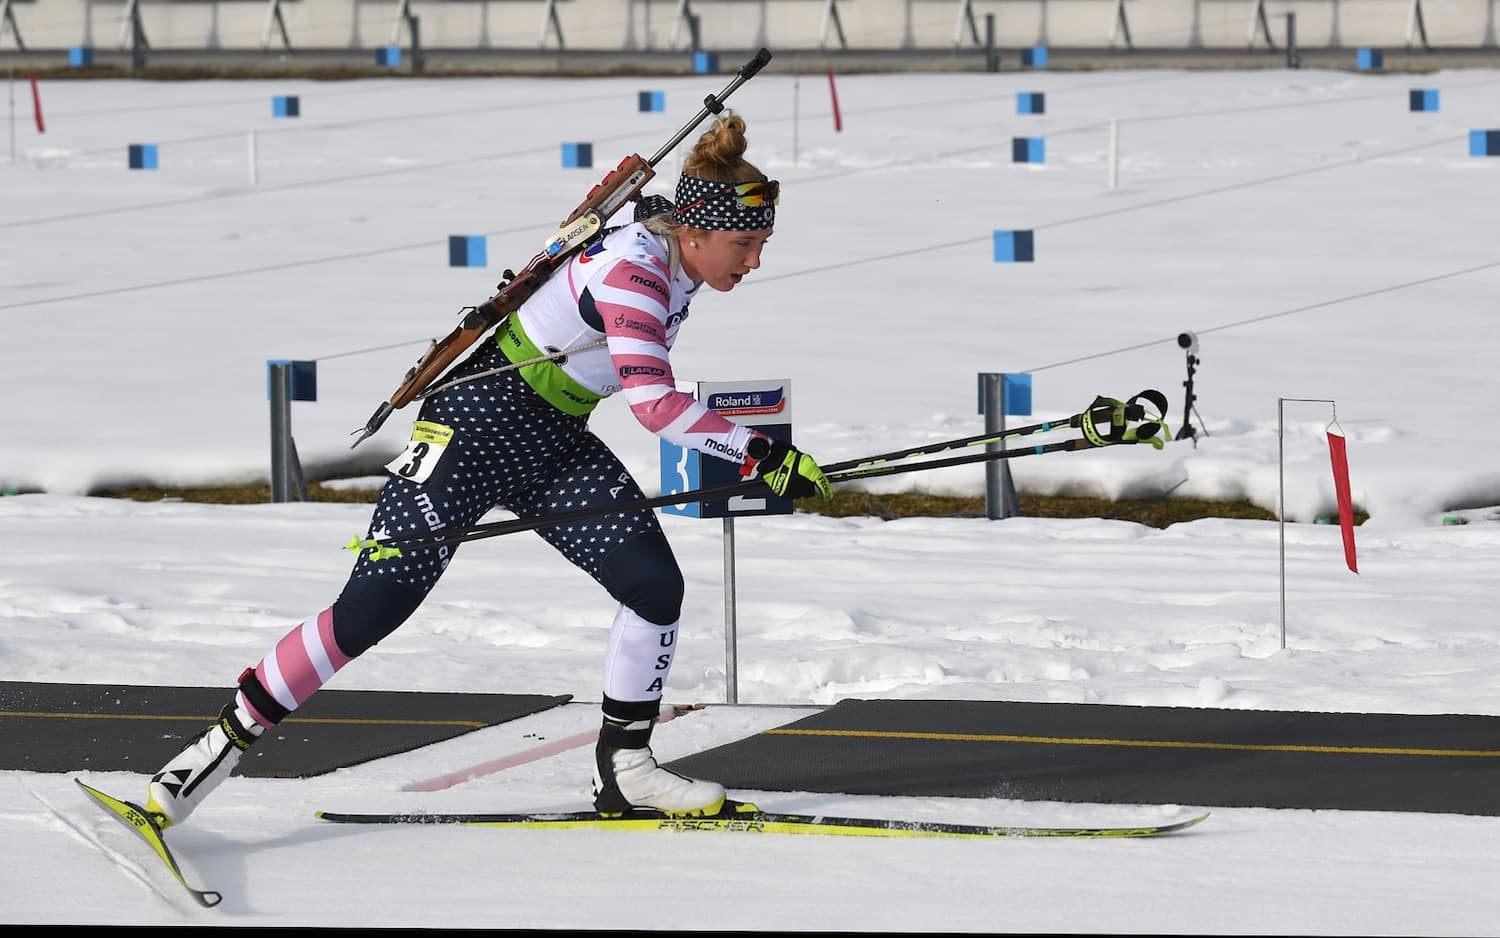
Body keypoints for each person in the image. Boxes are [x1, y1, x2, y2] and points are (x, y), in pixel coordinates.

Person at [144, 112, 833, 827]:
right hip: (471, 432)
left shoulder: (674, 241)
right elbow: (654, 406)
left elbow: (638, 212)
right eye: (744, 245)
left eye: (761, 245)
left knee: (654, 586)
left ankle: (627, 771)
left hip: (552, 439)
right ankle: (203, 758)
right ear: (693, 232)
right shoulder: (635, 273)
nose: (754, 262)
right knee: (369, 610)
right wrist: (760, 453)